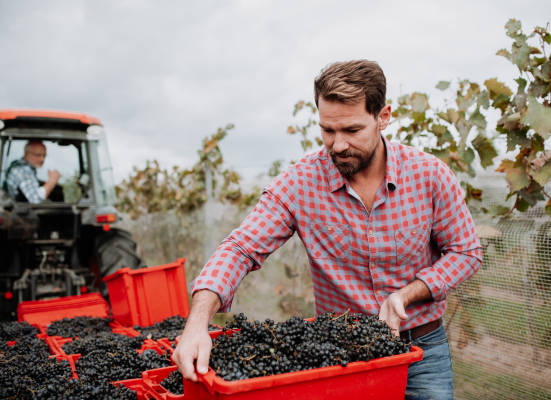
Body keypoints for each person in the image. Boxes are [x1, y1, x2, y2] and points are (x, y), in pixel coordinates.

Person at [172, 60, 482, 400]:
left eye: (351, 131)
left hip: (421, 349)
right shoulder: (300, 183)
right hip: (341, 357)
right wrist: (198, 322)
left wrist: (407, 294)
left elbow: (466, 252)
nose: (336, 145)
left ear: (383, 117)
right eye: (327, 130)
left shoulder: (429, 175)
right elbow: (241, 248)